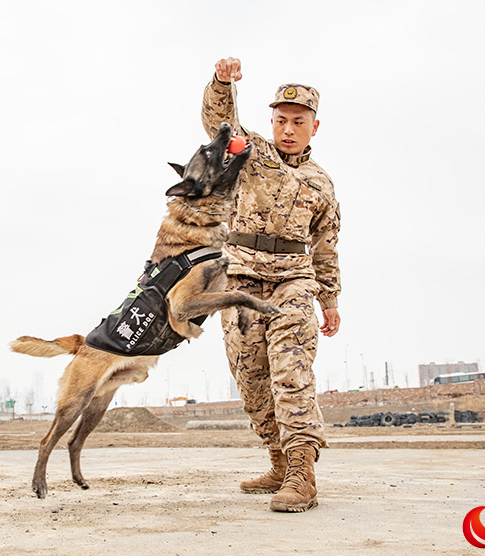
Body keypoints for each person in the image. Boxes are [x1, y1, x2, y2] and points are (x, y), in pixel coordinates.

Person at [202, 57, 341, 512]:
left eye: (298, 122)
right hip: (241, 282)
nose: (287, 129)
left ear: (313, 127)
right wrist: (222, 82)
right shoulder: (251, 154)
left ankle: (303, 474)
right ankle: (279, 461)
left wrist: (330, 300)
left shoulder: (321, 184)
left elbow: (325, 247)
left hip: (292, 283)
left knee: (291, 371)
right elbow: (220, 122)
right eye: (281, 120)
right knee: (252, 377)